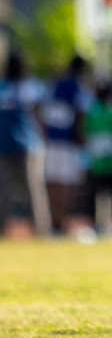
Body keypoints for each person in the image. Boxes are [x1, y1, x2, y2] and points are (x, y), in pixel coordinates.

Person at [0, 51, 50, 236]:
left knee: (34, 190)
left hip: (29, 145)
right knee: (5, 191)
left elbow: (39, 114)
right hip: (6, 146)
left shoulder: (32, 87)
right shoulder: (6, 86)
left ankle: (42, 230)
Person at [41, 55, 91, 236]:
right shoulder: (77, 86)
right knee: (65, 183)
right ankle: (59, 222)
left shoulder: (55, 84)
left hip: (51, 139)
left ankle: (54, 222)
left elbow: (44, 111)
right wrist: (81, 138)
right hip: (68, 140)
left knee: (53, 183)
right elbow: (80, 113)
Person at [82, 77, 112, 236]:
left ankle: (108, 225)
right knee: (110, 196)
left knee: (103, 195)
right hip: (107, 163)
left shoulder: (94, 112)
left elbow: (86, 135)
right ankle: (109, 225)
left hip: (103, 163)